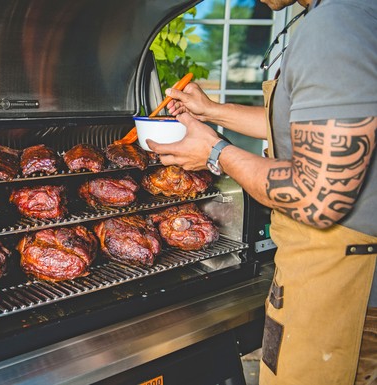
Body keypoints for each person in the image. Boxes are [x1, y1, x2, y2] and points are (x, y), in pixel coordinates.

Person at [146, 0, 377, 384]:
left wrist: (215, 152)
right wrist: (212, 111)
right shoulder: (352, 12)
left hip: (346, 290)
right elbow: (307, 125)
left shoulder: (334, 24)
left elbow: (317, 196)